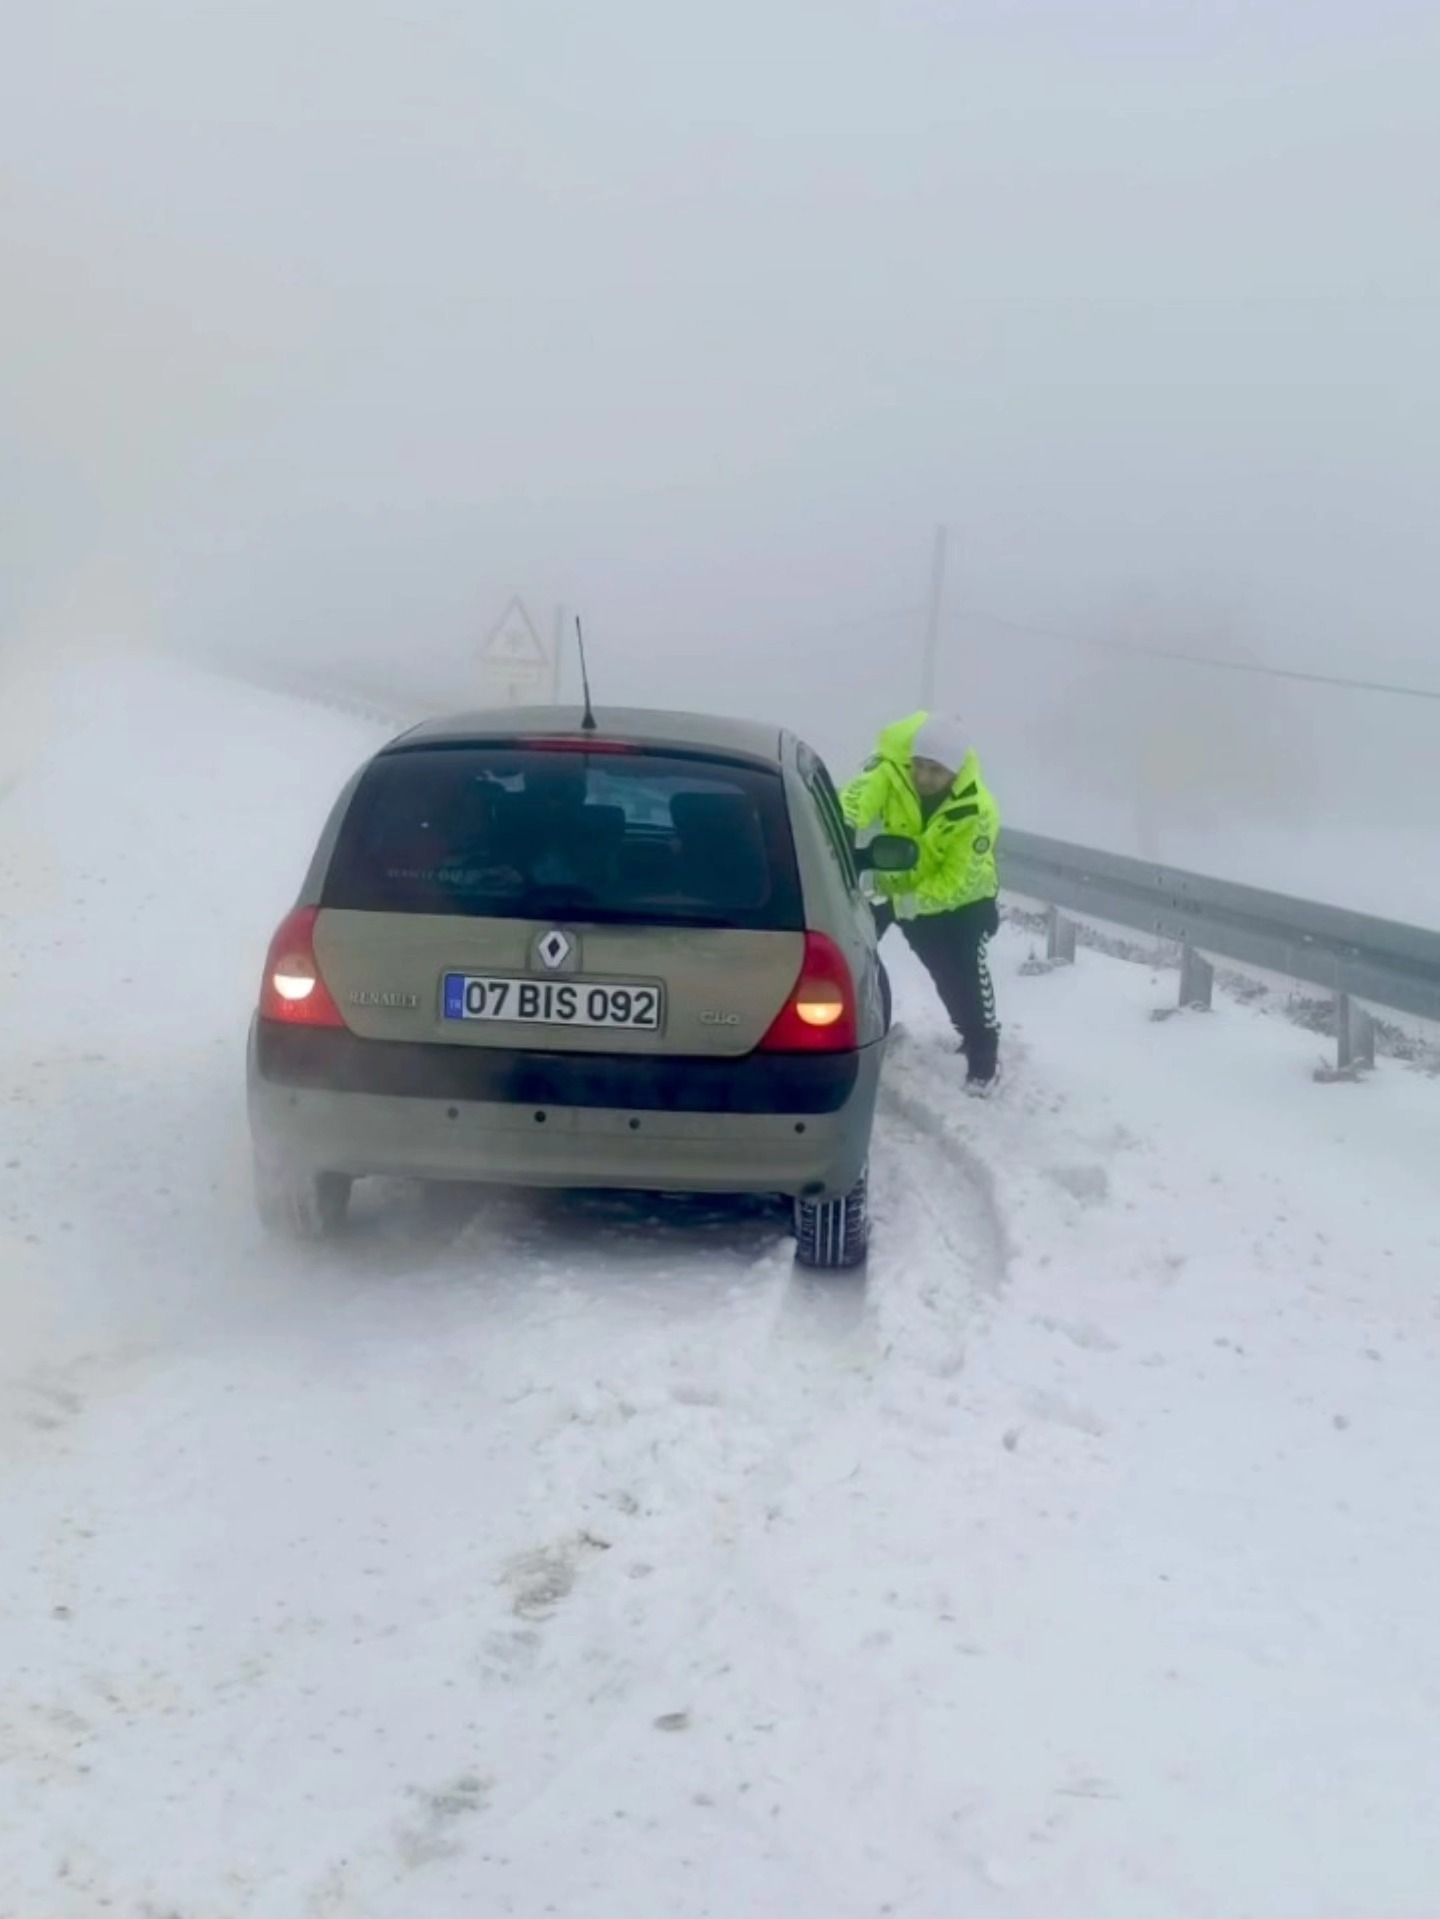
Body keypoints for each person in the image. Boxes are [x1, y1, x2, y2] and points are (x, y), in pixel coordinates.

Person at [842, 710, 1002, 1092]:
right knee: (862, 951)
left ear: (955, 772)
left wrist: (901, 905)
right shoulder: (890, 771)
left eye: (936, 771)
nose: (925, 778)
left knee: (963, 975)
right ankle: (842, 1034)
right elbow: (855, 800)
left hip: (965, 903)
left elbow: (956, 881)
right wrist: (843, 827)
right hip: (903, 891)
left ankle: (984, 1057)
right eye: (920, 765)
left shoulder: (977, 809)